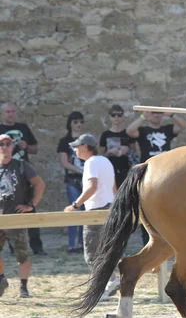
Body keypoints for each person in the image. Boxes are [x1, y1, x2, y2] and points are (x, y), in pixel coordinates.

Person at [63, 134, 120, 300]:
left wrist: (74, 205)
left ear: (86, 147)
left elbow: (91, 187)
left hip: (95, 211)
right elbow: (114, 189)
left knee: (92, 254)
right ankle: (111, 280)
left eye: (77, 146)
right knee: (104, 250)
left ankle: (101, 289)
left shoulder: (91, 162)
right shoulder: (106, 161)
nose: (74, 150)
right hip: (109, 209)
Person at [126, 102, 186, 245]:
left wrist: (171, 114)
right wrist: (142, 116)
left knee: (168, 206)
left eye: (159, 113)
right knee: (146, 207)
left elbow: (184, 126)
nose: (156, 115)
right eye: (153, 112)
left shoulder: (167, 129)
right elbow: (129, 131)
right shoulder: (143, 130)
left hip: (166, 172)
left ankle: (167, 240)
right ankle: (147, 240)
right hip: (148, 172)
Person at [0, 134, 46, 298]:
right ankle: (1, 279)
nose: (4, 147)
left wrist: (31, 205)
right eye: (1, 144)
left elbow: (39, 184)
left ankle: (23, 287)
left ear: (12, 147)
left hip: (16, 217)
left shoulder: (21, 166)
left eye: (7, 144)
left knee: (22, 255)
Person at [0, 102, 46, 256]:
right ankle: (14, 247)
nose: (10, 114)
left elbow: (35, 149)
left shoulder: (23, 128)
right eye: (7, 112)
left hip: (23, 174)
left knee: (29, 209)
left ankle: (37, 246)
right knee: (9, 209)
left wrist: (25, 146)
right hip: (4, 174)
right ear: (3, 113)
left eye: (13, 111)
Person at [57, 111, 86, 254]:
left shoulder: (86, 140)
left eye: (81, 121)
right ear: (70, 124)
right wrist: (79, 169)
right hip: (72, 180)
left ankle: (82, 244)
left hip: (86, 180)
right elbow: (64, 162)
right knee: (74, 210)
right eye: (75, 122)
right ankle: (71, 245)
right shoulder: (64, 141)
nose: (78, 124)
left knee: (85, 212)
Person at [99, 105, 134, 188]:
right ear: (110, 117)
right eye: (113, 115)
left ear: (123, 117)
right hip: (109, 171)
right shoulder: (105, 135)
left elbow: (134, 153)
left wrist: (128, 150)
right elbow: (100, 157)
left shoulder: (127, 133)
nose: (116, 117)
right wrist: (109, 153)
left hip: (126, 171)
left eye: (119, 115)